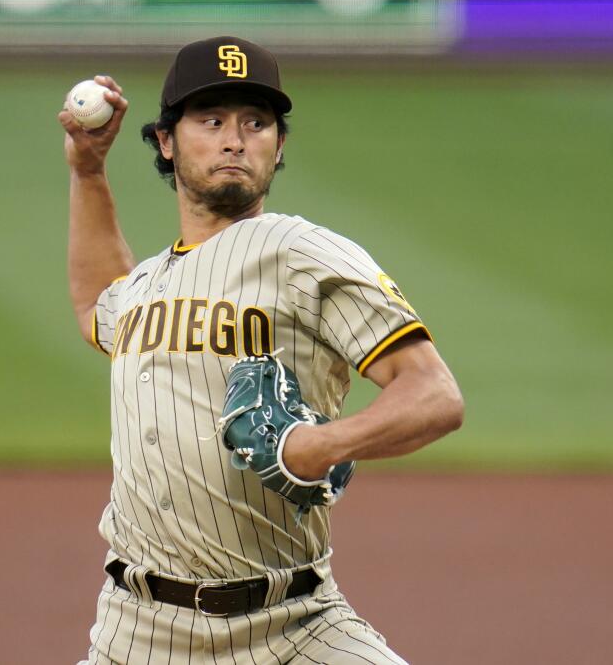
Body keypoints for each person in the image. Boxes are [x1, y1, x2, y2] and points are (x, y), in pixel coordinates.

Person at [59, 36, 464, 664]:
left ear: (279, 147)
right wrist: (87, 172)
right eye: (211, 120)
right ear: (166, 141)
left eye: (256, 122)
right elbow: (96, 304)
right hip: (135, 633)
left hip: (294, 625)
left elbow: (434, 394)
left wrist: (320, 446)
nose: (234, 139)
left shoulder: (302, 253)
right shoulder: (146, 285)